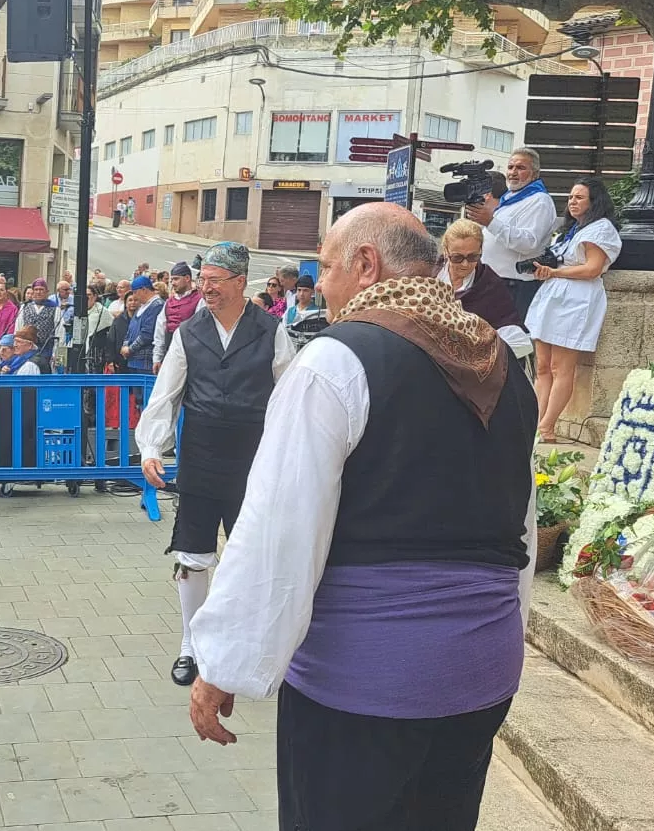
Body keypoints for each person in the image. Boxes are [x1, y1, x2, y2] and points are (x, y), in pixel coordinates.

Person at [186, 203, 538, 831]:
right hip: (484, 668)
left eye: (325, 267)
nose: (319, 284)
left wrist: (227, 663)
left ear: (366, 265)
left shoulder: (336, 360)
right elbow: (522, 522)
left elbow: (279, 529)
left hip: (367, 677)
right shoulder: (504, 366)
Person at [137, 242, 295, 686]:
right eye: (203, 279)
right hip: (202, 454)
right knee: (192, 553)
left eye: (214, 281)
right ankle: (190, 644)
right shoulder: (188, 331)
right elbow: (166, 393)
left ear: (241, 283)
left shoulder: (272, 330)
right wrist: (151, 448)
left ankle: (249, 644)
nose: (205, 288)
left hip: (253, 456)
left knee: (252, 555)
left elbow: (288, 398)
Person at [527, 178, 622, 443]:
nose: (572, 202)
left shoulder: (600, 229)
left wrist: (556, 272)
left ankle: (547, 426)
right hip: (555, 295)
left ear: (595, 202)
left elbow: (592, 268)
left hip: (577, 298)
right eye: (570, 197)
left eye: (579, 197)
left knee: (561, 366)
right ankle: (535, 421)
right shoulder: (572, 230)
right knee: (543, 366)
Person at [466, 147, 557, 316]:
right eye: (510, 167)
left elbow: (528, 243)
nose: (513, 172)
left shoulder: (539, 201)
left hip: (516, 285)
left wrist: (490, 222)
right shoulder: (509, 199)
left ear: (535, 173)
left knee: (510, 339)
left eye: (521, 168)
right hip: (493, 282)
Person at [439, 219, 533, 360]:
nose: (465, 264)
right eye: (457, 257)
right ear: (445, 250)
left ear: (481, 250)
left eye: (473, 257)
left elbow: (511, 329)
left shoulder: (489, 284)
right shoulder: (428, 273)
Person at [153, 261, 204, 369]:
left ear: (187, 278)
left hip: (191, 356)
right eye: (171, 280)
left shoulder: (200, 300)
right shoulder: (168, 302)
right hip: (170, 354)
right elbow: (160, 330)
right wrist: (157, 357)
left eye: (176, 279)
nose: (173, 283)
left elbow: (201, 331)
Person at [121, 276, 162, 373]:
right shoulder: (142, 306)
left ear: (144, 289)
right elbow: (130, 329)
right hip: (134, 360)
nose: (134, 296)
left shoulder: (157, 306)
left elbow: (147, 334)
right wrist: (124, 346)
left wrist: (130, 349)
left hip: (146, 362)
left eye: (135, 292)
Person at [15, 278, 59, 360]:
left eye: (41, 289)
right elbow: (18, 328)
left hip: (47, 350)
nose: (38, 292)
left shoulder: (55, 308)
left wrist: (55, 352)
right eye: (36, 289)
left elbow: (59, 332)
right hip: (27, 350)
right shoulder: (25, 307)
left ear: (46, 291)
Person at [283, 274, 328, 350]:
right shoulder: (290, 311)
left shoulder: (317, 313)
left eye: (305, 290)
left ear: (312, 292)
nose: (301, 294)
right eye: (299, 290)